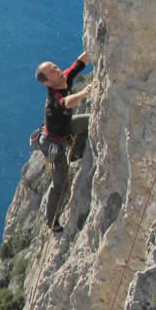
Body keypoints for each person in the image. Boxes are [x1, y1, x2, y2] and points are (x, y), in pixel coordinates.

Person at [36, 51, 95, 233]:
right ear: (47, 82)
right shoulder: (54, 97)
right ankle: (51, 220)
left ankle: (76, 151)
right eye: (52, 72)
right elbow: (67, 102)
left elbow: (80, 62)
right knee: (60, 182)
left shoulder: (65, 78)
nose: (57, 70)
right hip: (52, 144)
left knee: (92, 120)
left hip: (66, 129)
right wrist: (84, 93)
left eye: (55, 67)